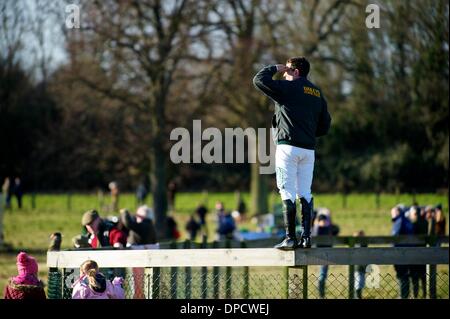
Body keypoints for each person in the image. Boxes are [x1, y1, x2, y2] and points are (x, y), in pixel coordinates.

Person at [253, 56, 331, 250]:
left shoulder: (288, 88)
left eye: (288, 71)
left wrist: (276, 68)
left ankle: (289, 238)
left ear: (295, 72)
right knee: (305, 192)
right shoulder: (317, 92)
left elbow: (259, 80)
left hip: (287, 147)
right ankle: (306, 238)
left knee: (286, 190)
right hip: (308, 150)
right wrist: (308, 133)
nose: (285, 74)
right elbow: (325, 125)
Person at [311, 208, 339, 298]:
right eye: (322, 221)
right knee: (322, 275)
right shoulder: (317, 229)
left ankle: (321, 291)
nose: (323, 222)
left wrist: (329, 218)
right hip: (321, 254)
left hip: (327, 253)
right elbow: (317, 229)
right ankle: (321, 293)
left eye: (325, 221)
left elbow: (336, 229)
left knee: (323, 274)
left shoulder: (327, 228)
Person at [391, 205, 414, 299]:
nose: (391, 214)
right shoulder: (407, 221)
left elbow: (395, 238)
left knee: (401, 275)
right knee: (405, 275)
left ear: (397, 212)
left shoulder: (399, 222)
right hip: (407, 252)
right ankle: (405, 295)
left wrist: (392, 251)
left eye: (393, 212)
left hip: (400, 253)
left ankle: (403, 295)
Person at [408, 205, 427, 298]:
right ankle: (425, 294)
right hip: (424, 254)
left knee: (414, 277)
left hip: (414, 254)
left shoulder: (412, 224)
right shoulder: (426, 222)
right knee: (424, 276)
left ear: (414, 213)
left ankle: (415, 295)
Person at [353, 230, 367, 299]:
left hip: (362, 267)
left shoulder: (364, 245)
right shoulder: (357, 245)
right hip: (358, 267)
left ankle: (358, 295)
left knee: (361, 282)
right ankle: (357, 296)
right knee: (359, 281)